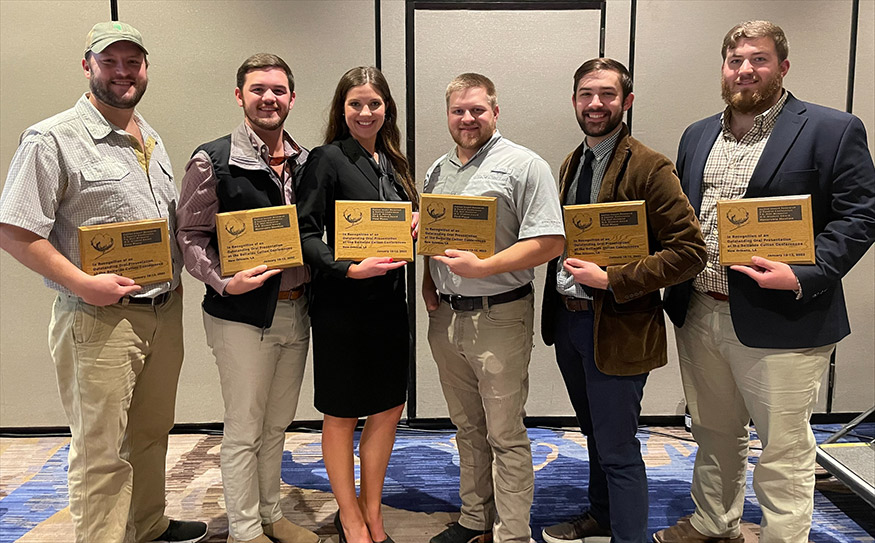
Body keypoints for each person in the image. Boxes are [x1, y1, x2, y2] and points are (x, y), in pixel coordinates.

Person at [657, 20, 875, 543]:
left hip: (786, 317)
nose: (745, 70)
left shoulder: (831, 128)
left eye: (758, 59)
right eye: (736, 61)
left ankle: (783, 536)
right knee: (712, 433)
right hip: (701, 309)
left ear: (782, 67)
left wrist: (806, 274)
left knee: (783, 447)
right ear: (724, 68)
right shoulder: (697, 134)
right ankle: (714, 522)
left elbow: (860, 216)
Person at [0, 21, 207, 543]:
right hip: (98, 319)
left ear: (144, 69)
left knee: (150, 433)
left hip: (162, 311)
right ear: (87, 65)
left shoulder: (149, 134)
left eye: (132, 62)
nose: (122, 72)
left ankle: (148, 523)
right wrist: (82, 284)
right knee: (100, 451)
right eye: (110, 61)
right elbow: (14, 229)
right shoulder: (52, 139)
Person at [539, 58, 706, 543]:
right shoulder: (573, 161)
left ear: (626, 101)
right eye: (586, 94)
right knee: (594, 434)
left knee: (617, 448)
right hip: (571, 325)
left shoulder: (651, 167)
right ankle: (601, 516)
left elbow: (691, 251)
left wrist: (613, 279)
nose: (596, 104)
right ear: (574, 101)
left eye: (608, 94)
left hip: (620, 325)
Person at [175, 54, 319, 543]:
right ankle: (243, 528)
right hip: (241, 317)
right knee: (243, 429)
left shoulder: (307, 161)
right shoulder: (211, 160)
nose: (268, 98)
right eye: (257, 89)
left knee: (277, 425)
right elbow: (189, 237)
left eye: (278, 90)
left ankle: (272, 515)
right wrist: (222, 281)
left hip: (297, 309)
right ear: (240, 95)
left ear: (292, 98)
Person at [422, 73, 566, 543]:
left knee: (505, 433)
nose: (467, 119)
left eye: (477, 110)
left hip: (499, 313)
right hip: (446, 317)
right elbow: (433, 238)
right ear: (447, 114)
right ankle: (474, 518)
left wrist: (484, 269)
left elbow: (549, 241)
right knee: (466, 427)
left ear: (495, 111)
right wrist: (428, 280)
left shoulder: (525, 165)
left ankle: (512, 533)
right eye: (458, 110)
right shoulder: (437, 171)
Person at [296, 66, 419, 543]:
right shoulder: (327, 158)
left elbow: (407, 226)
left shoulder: (395, 161)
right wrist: (347, 267)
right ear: (341, 109)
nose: (365, 112)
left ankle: (374, 514)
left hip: (390, 302)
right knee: (342, 412)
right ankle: (349, 518)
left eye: (374, 103)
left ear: (386, 108)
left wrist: (413, 227)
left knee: (388, 407)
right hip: (343, 304)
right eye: (355, 104)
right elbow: (304, 233)